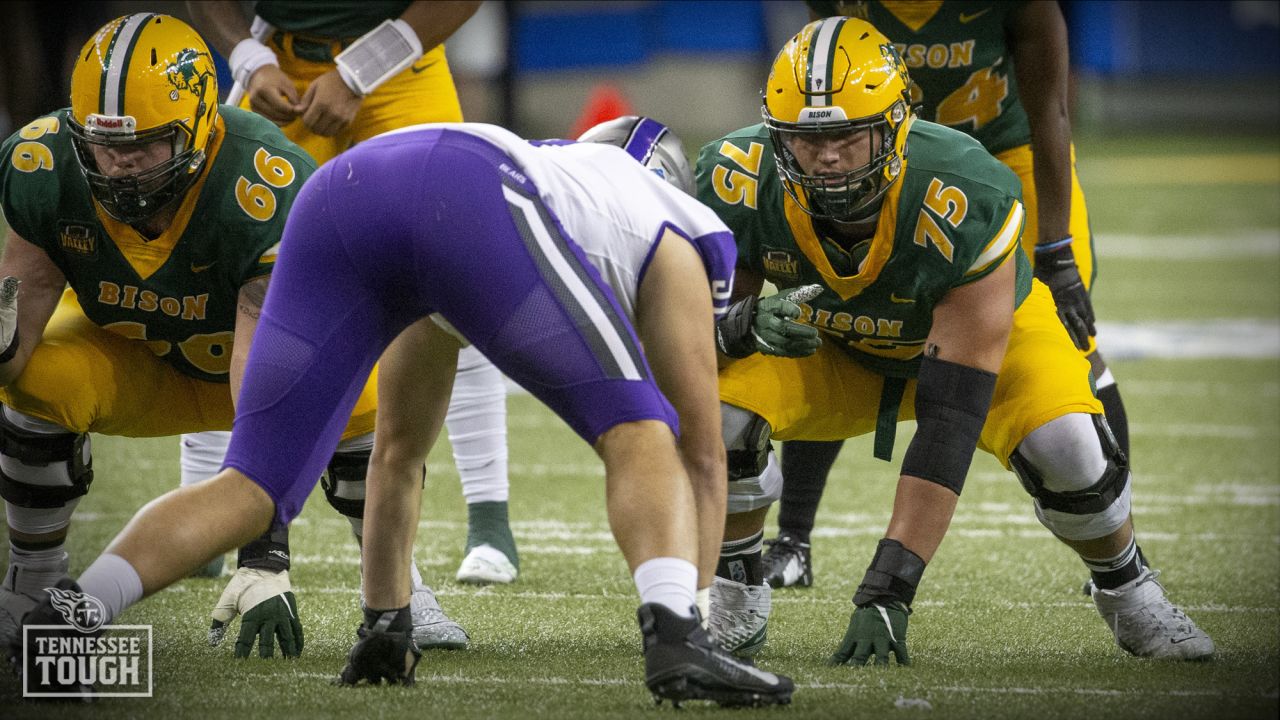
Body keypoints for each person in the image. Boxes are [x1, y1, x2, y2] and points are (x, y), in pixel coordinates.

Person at [11, 116, 795, 705]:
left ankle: (73, 611)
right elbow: (698, 448)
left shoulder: (561, 182)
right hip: (468, 189)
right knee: (641, 425)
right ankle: (677, 640)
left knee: (251, 485)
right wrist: (686, 612)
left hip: (344, 191)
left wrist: (386, 620)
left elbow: (399, 453)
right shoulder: (675, 224)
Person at [696, 16, 1212, 664]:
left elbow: (949, 416)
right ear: (776, 137)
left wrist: (890, 585)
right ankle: (737, 588)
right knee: (718, 411)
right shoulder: (735, 179)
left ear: (894, 126)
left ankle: (1129, 589)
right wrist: (733, 326)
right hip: (838, 343)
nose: (826, 156)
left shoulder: (966, 188)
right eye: (806, 139)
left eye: (849, 134)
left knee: (1071, 448)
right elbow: (684, 347)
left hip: (979, 346)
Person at [0, 13, 464, 660]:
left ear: (197, 124)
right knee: (36, 377)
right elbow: (14, 339)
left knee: (363, 390)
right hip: (140, 362)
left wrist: (264, 555)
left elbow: (264, 376)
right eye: (104, 147)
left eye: (144, 147)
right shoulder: (41, 166)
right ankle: (32, 580)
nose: (120, 168)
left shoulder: (259, 183)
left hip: (253, 379)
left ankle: (396, 587)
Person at [759, 0, 1134, 590]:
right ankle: (793, 539)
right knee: (830, 322)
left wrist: (1056, 247)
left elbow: (1051, 111)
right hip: (887, 163)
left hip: (1003, 155)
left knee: (1070, 339)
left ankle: (1118, 545)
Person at [186, 0, 519, 585]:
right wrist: (247, 54)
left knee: (453, 277)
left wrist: (362, 68)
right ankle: (203, 505)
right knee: (225, 264)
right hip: (278, 64)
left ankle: (489, 519)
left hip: (402, 64)